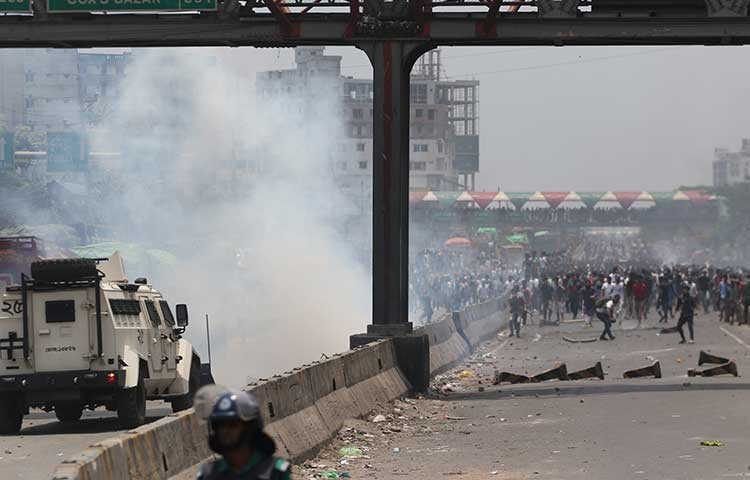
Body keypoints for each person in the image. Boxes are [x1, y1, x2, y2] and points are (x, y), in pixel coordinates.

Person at [196, 388, 292, 480]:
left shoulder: (275, 472)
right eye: (221, 426)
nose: (225, 431)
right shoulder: (208, 474)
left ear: (250, 428)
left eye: (233, 425)